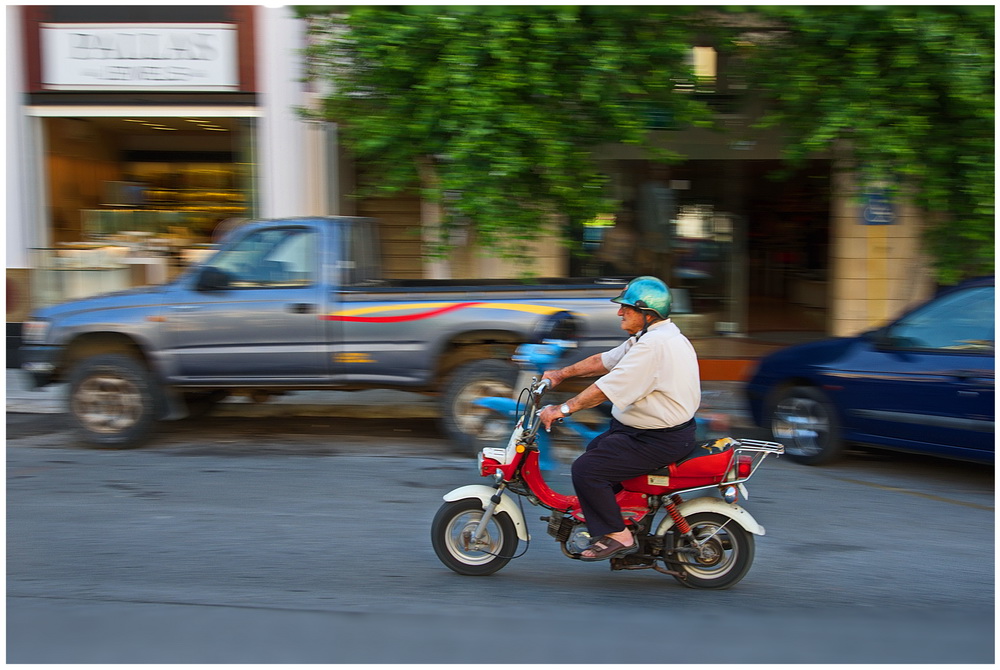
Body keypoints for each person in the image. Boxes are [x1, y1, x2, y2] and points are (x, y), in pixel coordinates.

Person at [538, 276, 701, 561]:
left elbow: (605, 389)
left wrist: (561, 410)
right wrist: (560, 374)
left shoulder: (654, 347)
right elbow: (604, 361)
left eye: (626, 307)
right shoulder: (652, 337)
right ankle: (624, 517)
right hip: (646, 431)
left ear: (648, 313)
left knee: (586, 470)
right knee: (595, 451)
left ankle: (619, 534)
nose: (619, 312)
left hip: (658, 439)